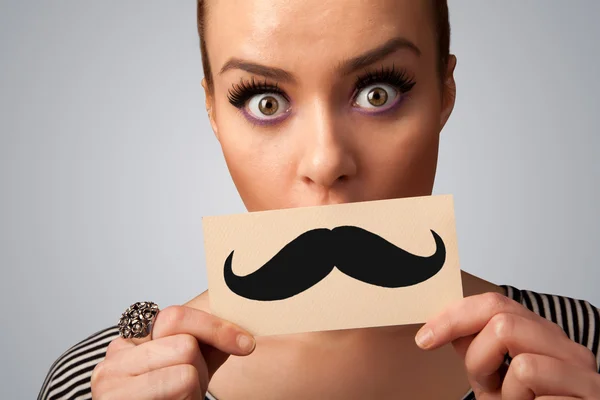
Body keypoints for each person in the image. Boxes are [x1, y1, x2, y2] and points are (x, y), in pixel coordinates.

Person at [38, 0, 600, 399]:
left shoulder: (578, 347)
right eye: (263, 101)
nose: (326, 161)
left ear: (444, 92)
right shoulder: (92, 384)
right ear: (212, 111)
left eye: (378, 91)